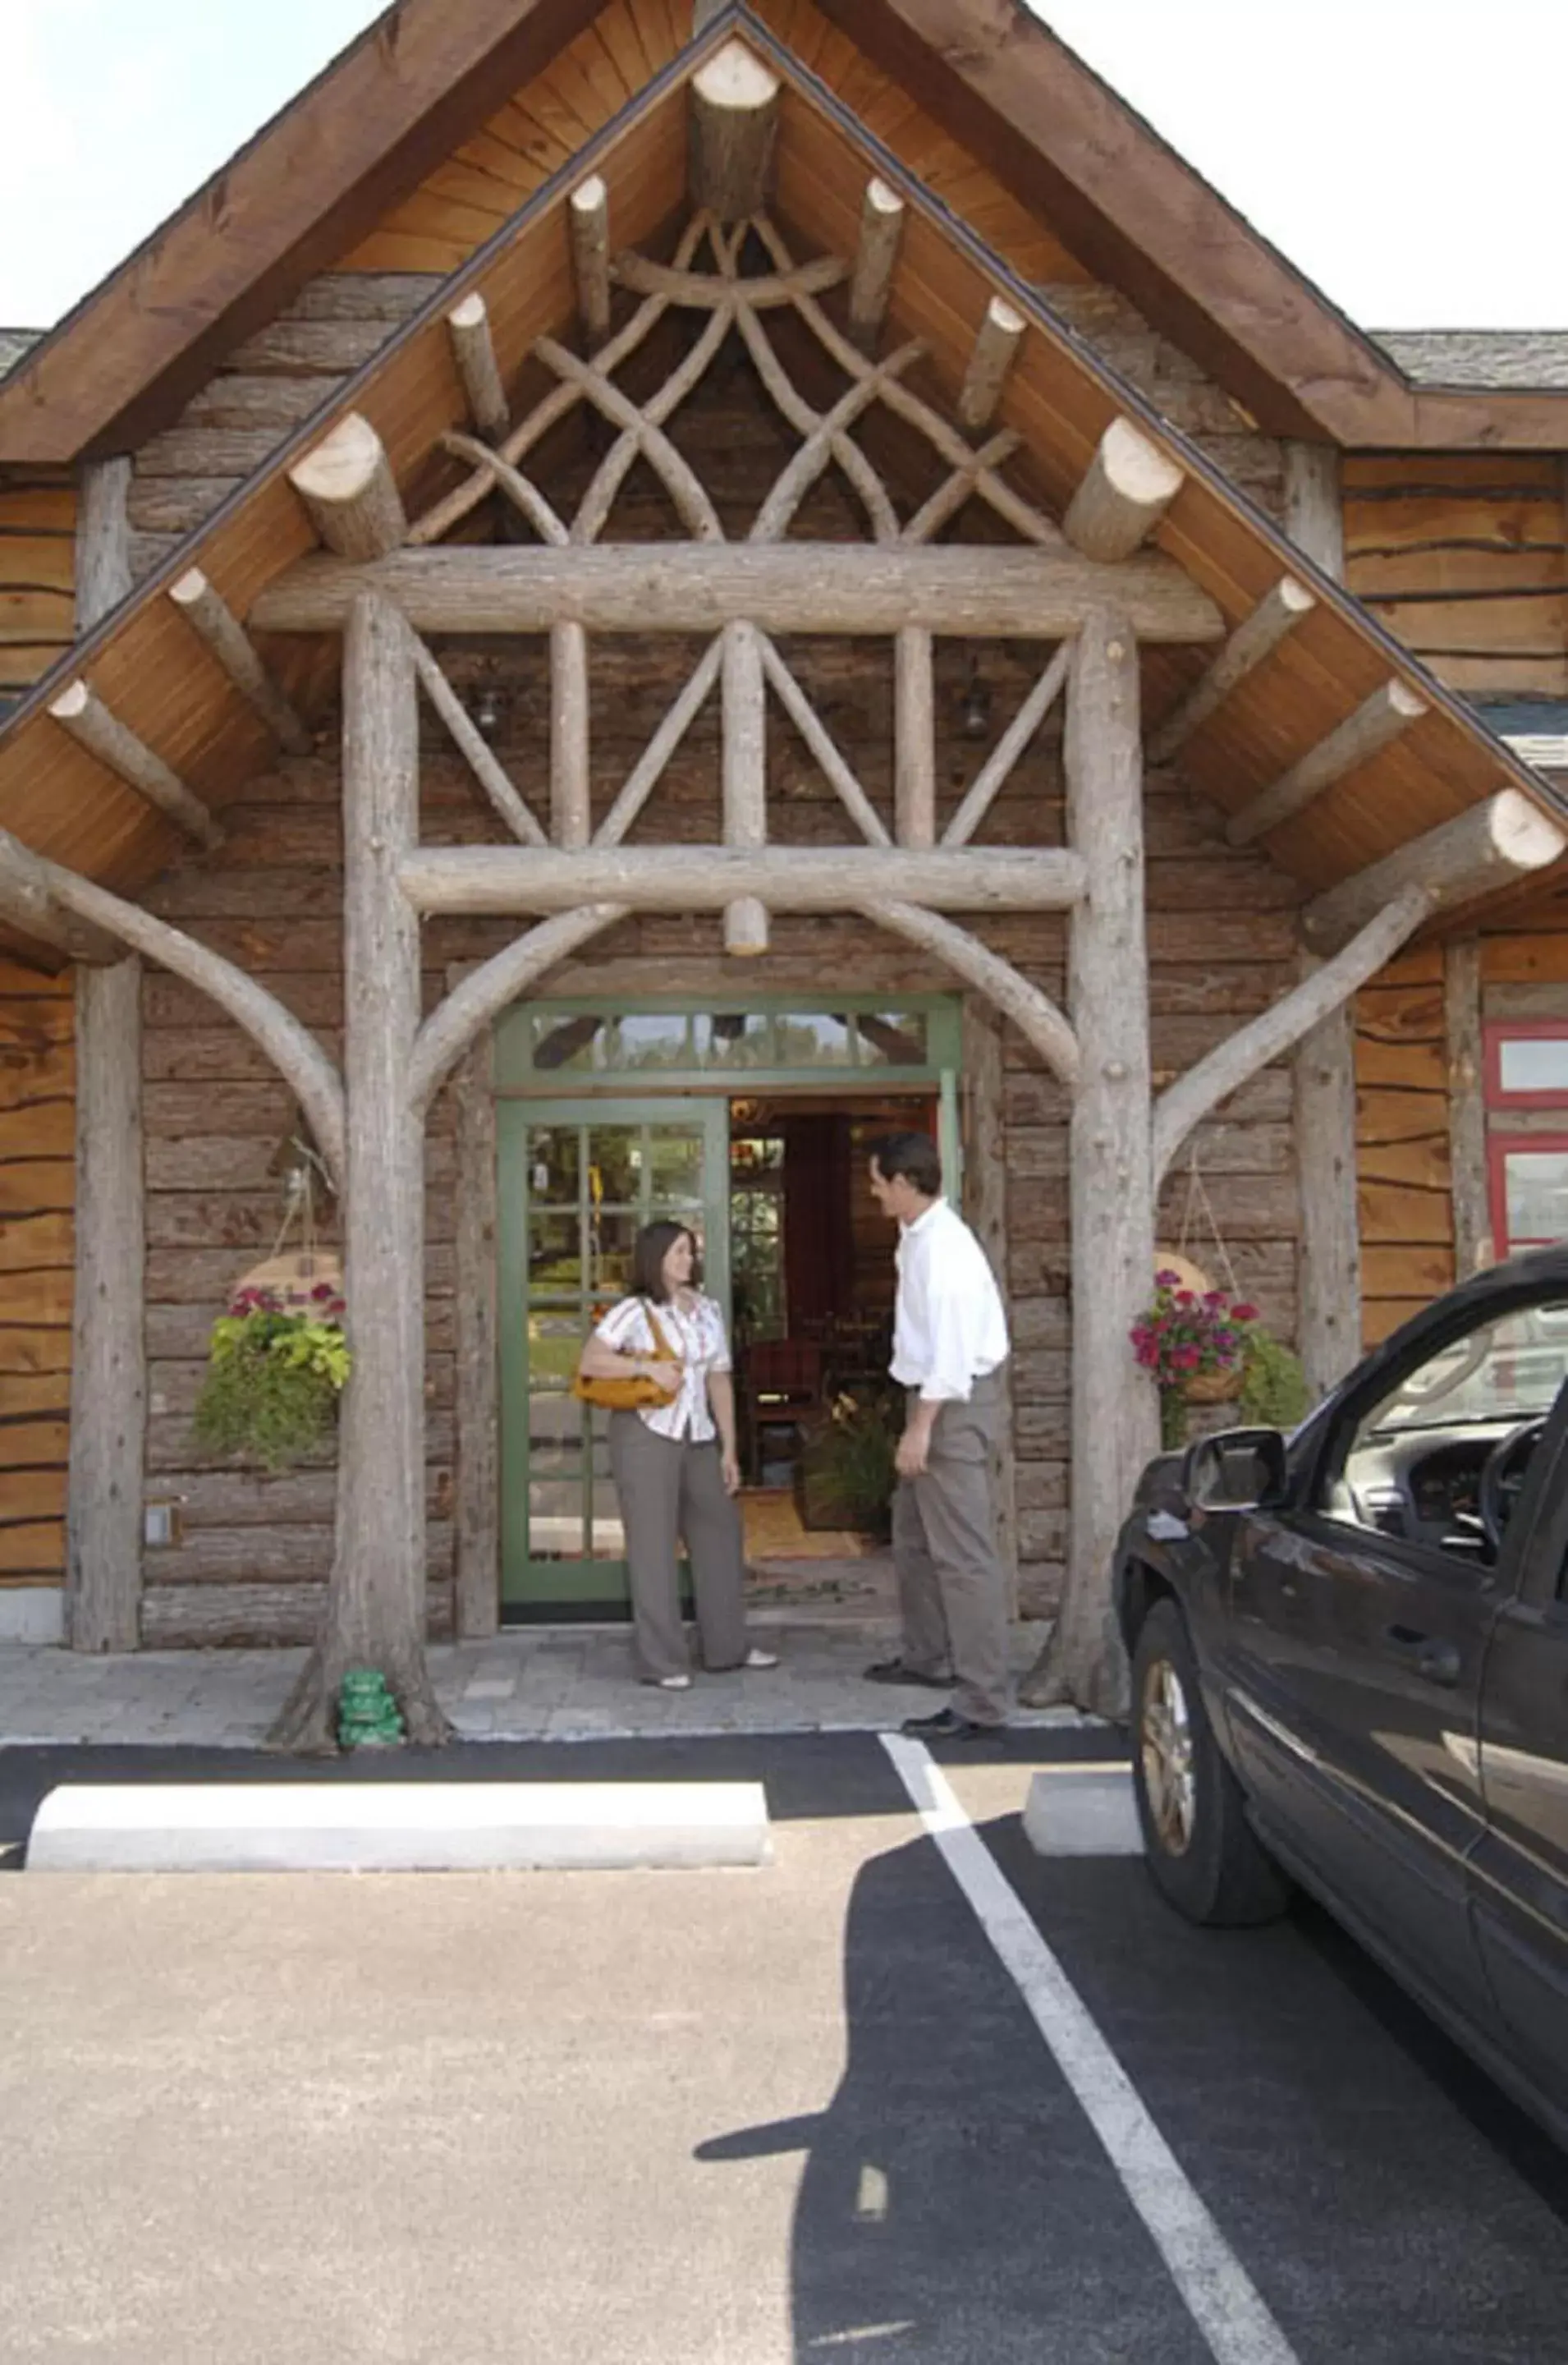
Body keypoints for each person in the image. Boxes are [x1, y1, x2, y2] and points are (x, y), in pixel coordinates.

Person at [577, 1219, 779, 1691]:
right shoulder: (634, 1310)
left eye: (690, 1251)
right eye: (678, 1252)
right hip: (645, 1434)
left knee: (721, 1531)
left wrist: (730, 1448)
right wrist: (646, 1365)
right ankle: (662, 1661)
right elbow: (590, 1360)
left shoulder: (707, 1310)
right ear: (655, 1259)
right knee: (652, 1546)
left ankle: (727, 1646)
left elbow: (718, 1380)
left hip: (700, 1436)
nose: (688, 1260)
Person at [864, 1131, 1011, 1738]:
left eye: (877, 1183)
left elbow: (950, 1359)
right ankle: (929, 1658)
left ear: (904, 1183)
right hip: (931, 1397)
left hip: (951, 1404)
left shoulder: (945, 1252)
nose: (872, 1193)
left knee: (963, 1558)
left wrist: (919, 1431)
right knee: (915, 1537)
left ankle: (984, 1699)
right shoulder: (916, 1238)